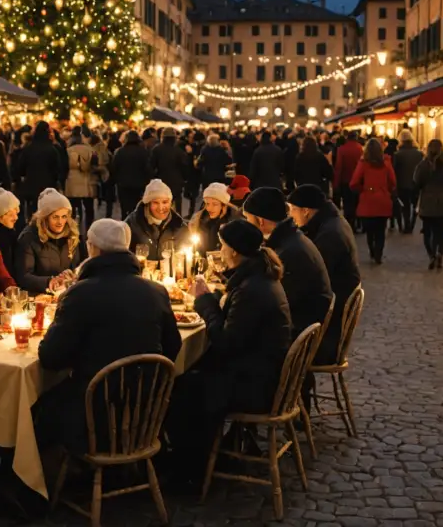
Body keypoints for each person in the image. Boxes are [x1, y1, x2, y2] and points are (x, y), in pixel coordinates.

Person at [36, 219, 181, 456]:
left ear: (93, 249)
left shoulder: (80, 294)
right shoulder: (156, 291)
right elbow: (172, 347)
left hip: (96, 410)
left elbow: (51, 357)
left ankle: (31, 479)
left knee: (37, 405)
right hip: (145, 405)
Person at [165, 220, 291, 486]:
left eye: (222, 246)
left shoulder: (252, 290)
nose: (220, 251)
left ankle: (189, 467)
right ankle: (198, 455)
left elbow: (224, 342)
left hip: (256, 385)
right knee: (191, 375)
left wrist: (205, 302)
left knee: (180, 385)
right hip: (261, 370)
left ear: (234, 251)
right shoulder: (256, 276)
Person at [243, 186, 333, 335]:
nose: (246, 223)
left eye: (247, 218)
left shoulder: (289, 251)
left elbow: (271, 303)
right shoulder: (288, 238)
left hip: (298, 332)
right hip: (302, 322)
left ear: (260, 221)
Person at [287, 184, 360, 364]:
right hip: (329, 319)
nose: (291, 216)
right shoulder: (329, 222)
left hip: (326, 335)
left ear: (306, 211)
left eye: (292, 210)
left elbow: (313, 278)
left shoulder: (330, 234)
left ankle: (294, 389)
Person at [15, 188, 80, 294]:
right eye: (55, 217)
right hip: (40, 295)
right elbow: (24, 276)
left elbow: (80, 264)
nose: (60, 222)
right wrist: (48, 281)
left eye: (64, 217)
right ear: (45, 218)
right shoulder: (29, 238)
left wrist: (73, 274)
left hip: (67, 292)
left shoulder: (72, 234)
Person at [414, 139, 443, 270]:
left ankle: (431, 255)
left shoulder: (423, 165)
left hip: (428, 203)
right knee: (441, 232)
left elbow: (417, 183)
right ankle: (440, 253)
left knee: (428, 232)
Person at [350, 137, 396, 264]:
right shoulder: (386, 163)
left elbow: (353, 183)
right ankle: (378, 254)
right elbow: (393, 182)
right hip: (383, 200)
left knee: (370, 230)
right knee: (381, 230)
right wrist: (386, 190)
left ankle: (372, 250)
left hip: (368, 201)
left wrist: (364, 189)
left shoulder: (363, 164)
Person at [124, 179, 189, 260]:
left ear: (170, 203)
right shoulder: (132, 224)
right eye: (155, 203)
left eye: (165, 202)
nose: (161, 208)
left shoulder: (180, 227)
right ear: (148, 203)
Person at [15, 121, 62, 222]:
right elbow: (57, 169)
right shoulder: (52, 149)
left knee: (34, 213)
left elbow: (20, 167)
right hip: (48, 186)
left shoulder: (28, 148)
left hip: (31, 184)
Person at [188, 182, 242, 253]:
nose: (209, 208)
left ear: (223, 205)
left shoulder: (234, 220)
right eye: (207, 203)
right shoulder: (198, 220)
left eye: (215, 204)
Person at [65, 127, 97, 239]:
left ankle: (74, 230)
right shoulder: (91, 150)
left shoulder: (68, 150)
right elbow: (95, 165)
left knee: (73, 208)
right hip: (87, 182)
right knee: (89, 208)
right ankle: (89, 228)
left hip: (72, 182)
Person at [112, 129, 151, 219]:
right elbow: (148, 169)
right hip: (139, 184)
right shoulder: (143, 152)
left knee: (124, 207)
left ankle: (125, 224)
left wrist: (117, 179)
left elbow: (114, 167)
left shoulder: (120, 152)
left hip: (123, 184)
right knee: (136, 206)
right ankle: (135, 224)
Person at [152, 127, 190, 213]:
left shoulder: (157, 149)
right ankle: (177, 221)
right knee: (177, 203)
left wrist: (154, 178)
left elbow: (151, 166)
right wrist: (184, 179)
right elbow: (184, 166)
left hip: (161, 181)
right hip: (176, 181)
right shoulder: (178, 150)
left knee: (162, 202)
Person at [393, 130, 424, 234]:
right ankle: (412, 224)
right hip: (416, 183)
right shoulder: (419, 154)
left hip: (402, 183)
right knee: (415, 205)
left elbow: (395, 170)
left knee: (405, 206)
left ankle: (406, 225)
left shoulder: (398, 154)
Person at [333, 131, 363, 230]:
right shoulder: (360, 148)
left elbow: (339, 167)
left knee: (347, 204)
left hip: (345, 181)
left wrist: (336, 183)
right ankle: (358, 223)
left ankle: (349, 225)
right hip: (358, 181)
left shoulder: (342, 149)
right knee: (357, 203)